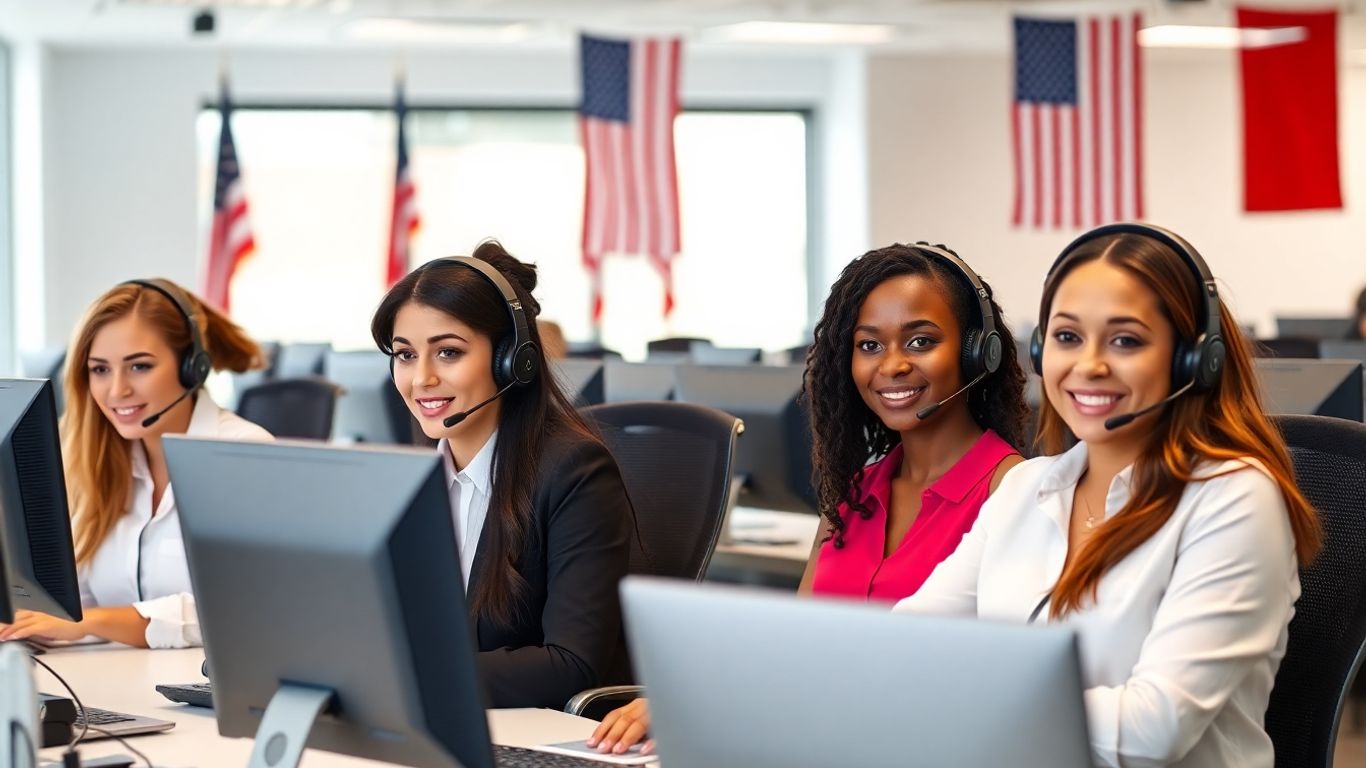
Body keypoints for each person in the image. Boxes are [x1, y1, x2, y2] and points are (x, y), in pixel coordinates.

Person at [894, 223, 1320, 768]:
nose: (1089, 365)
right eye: (1067, 337)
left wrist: (974, 691)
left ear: (1193, 359)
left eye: (1125, 340)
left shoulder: (1233, 500)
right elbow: (906, 645)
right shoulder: (1024, 489)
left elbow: (1150, 733)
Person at [590, 242, 1032, 754]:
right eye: (869, 346)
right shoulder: (853, 496)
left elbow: (1002, 691)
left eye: (920, 342)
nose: (891, 365)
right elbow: (795, 653)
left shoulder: (1012, 491)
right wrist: (688, 699)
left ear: (979, 352)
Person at [371, 241, 632, 709]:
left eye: (448, 352)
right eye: (405, 355)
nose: (421, 379)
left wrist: (403, 672)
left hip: (537, 736)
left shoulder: (574, 472)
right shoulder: (407, 478)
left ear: (512, 359)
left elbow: (573, 662)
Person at [0, 279, 272, 649]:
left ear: (192, 367)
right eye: (99, 370)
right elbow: (74, 605)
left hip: (207, 693)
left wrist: (89, 622)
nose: (116, 391)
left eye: (139, 366)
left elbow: (244, 606)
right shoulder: (94, 462)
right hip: (119, 686)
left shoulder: (243, 455)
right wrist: (30, 626)